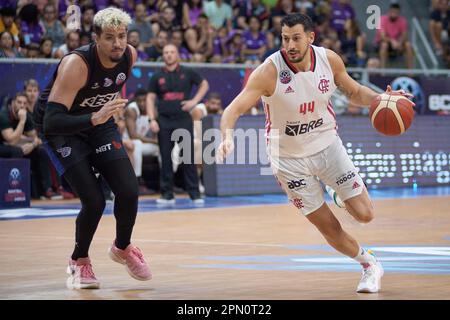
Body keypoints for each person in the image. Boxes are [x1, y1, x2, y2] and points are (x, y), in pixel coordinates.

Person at [217, 13, 414, 293]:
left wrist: (383, 99)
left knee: (365, 215)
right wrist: (227, 136)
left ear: (311, 37)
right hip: (288, 161)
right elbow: (232, 110)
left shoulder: (329, 60)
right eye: (285, 39)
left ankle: (335, 193)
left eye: (296, 38)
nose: (290, 45)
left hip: (327, 146)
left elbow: (354, 91)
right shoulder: (269, 71)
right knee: (329, 228)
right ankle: (369, 264)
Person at [33, 7, 152, 289]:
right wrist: (93, 117)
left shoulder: (130, 55)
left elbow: (108, 89)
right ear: (96, 38)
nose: (118, 43)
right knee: (95, 201)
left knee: (128, 190)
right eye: (109, 37)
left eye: (121, 36)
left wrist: (104, 116)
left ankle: (122, 247)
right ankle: (79, 261)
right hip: (61, 128)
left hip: (99, 122)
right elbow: (52, 120)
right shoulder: (77, 64)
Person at [146, 43, 209, 205]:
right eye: (166, 52)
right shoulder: (156, 76)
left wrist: (194, 101)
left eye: (172, 52)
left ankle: (194, 193)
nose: (169, 55)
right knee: (165, 158)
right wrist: (152, 119)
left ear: (177, 55)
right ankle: (167, 194)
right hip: (164, 121)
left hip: (183, 119)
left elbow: (204, 84)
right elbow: (150, 98)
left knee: (187, 156)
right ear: (163, 56)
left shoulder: (187, 72)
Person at [123, 88, 159, 195]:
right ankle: (137, 182)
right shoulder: (132, 110)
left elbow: (156, 131)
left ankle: (166, 182)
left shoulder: (153, 110)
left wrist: (158, 141)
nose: (142, 103)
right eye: (139, 101)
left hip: (144, 143)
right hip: (128, 143)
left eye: (144, 100)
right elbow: (133, 135)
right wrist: (153, 141)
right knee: (137, 144)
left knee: (163, 148)